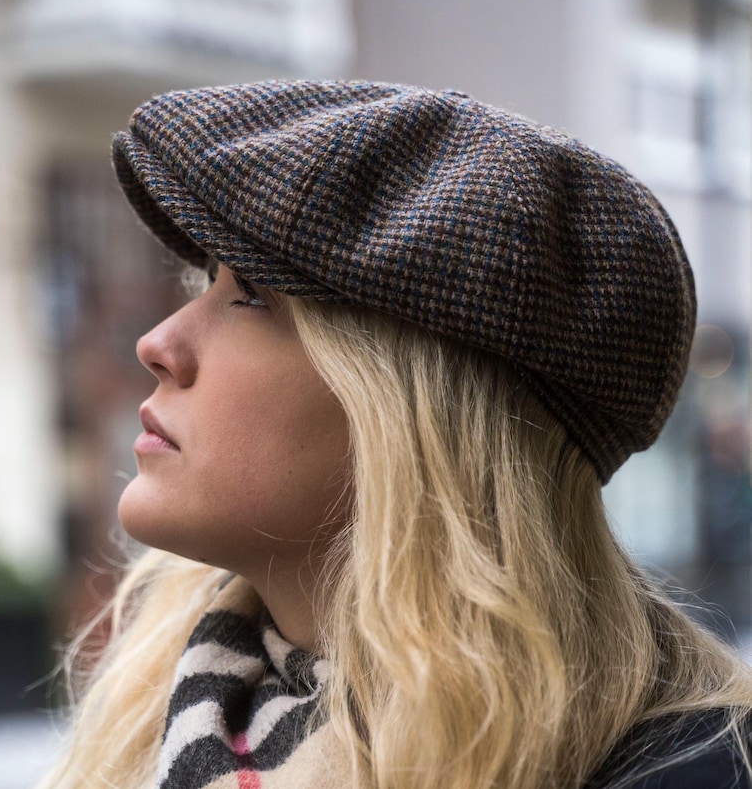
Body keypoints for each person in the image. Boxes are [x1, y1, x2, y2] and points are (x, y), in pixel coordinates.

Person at [41, 80, 752, 788]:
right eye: (208, 287)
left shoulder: (689, 772)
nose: (158, 343)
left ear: (413, 410)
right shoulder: (161, 730)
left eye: (250, 295)